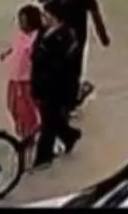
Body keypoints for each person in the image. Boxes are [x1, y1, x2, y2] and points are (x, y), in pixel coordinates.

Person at [36, 0, 109, 108]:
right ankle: (56, 93)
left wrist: (102, 35)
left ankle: (71, 96)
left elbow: (94, 11)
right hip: (59, 31)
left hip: (77, 31)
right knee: (58, 62)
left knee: (75, 63)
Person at [28, 10, 81, 167]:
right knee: (52, 120)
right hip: (42, 83)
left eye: (46, 15)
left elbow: (63, 67)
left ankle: (43, 159)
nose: (43, 18)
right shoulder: (43, 33)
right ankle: (69, 135)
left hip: (57, 87)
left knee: (48, 125)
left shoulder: (67, 38)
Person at [0, 6, 41, 146]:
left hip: (27, 79)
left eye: (23, 21)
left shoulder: (37, 37)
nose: (21, 24)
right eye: (20, 20)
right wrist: (7, 53)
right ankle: (23, 131)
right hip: (14, 76)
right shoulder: (20, 34)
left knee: (27, 109)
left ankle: (30, 135)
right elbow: (15, 47)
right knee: (11, 106)